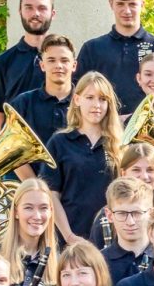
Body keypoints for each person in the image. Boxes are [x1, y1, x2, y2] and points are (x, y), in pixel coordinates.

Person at [40, 72, 122, 243]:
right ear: (77, 99)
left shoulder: (119, 144)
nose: (96, 105)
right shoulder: (59, 142)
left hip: (111, 239)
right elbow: (51, 195)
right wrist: (69, 236)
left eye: (102, 99)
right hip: (68, 238)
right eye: (89, 97)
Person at [75, 0, 154, 113]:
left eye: (132, 4)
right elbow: (79, 94)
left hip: (149, 125)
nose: (127, 11)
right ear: (111, 4)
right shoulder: (92, 49)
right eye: (120, 4)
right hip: (103, 124)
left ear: (142, 4)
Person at [0, 0, 53, 131]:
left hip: (57, 144)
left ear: (52, 14)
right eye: (29, 7)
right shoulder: (4, 61)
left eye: (42, 8)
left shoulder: (64, 61)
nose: (35, 13)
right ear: (20, 12)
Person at [10, 34, 75, 180]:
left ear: (74, 65)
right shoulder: (23, 103)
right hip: (31, 187)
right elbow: (12, 152)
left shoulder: (85, 103)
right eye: (51, 60)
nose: (58, 65)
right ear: (42, 65)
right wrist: (36, 187)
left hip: (76, 189)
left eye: (64, 60)